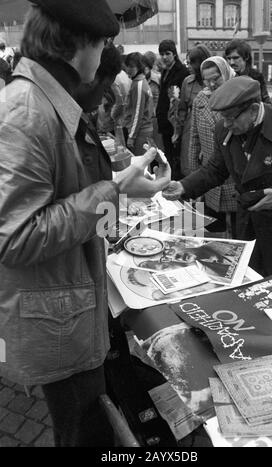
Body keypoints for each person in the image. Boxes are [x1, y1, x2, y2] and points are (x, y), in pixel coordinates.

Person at [0, 0, 170, 448]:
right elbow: (14, 236)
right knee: (84, 434)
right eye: (104, 43)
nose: (104, 59)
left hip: (67, 313)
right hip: (58, 325)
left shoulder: (40, 103)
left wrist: (119, 186)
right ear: (81, 47)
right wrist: (113, 192)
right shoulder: (26, 110)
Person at [163, 76, 272, 277]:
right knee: (249, 280)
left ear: (253, 110)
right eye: (222, 117)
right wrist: (183, 186)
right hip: (247, 224)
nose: (225, 124)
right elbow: (216, 169)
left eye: (230, 117)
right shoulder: (224, 130)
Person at [188, 56, 237, 236]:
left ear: (225, 73)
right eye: (206, 80)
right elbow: (194, 140)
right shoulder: (200, 100)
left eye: (216, 78)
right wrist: (194, 181)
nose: (211, 84)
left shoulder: (238, 97)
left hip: (234, 175)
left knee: (239, 232)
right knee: (213, 232)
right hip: (211, 175)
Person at [172, 45, 211, 177]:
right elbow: (182, 110)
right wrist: (178, 131)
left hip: (209, 128)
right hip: (190, 127)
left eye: (191, 63)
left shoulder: (212, 82)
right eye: (187, 62)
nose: (188, 66)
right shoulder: (187, 82)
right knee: (189, 164)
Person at [156, 39, 189, 180]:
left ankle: (176, 184)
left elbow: (176, 102)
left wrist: (176, 127)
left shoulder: (181, 72)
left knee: (175, 158)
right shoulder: (166, 71)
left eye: (167, 53)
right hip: (165, 122)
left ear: (174, 54)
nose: (164, 57)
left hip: (174, 124)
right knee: (168, 155)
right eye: (161, 54)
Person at [124, 52, 154, 156]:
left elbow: (138, 113)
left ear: (139, 67)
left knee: (141, 165)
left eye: (131, 66)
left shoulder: (139, 85)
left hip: (141, 131)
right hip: (141, 130)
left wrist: (131, 136)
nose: (128, 69)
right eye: (127, 66)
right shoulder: (137, 81)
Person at [224, 39, 271, 105]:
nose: (231, 62)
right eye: (229, 58)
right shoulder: (226, 77)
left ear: (246, 57)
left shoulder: (256, 76)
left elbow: (266, 101)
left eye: (236, 58)